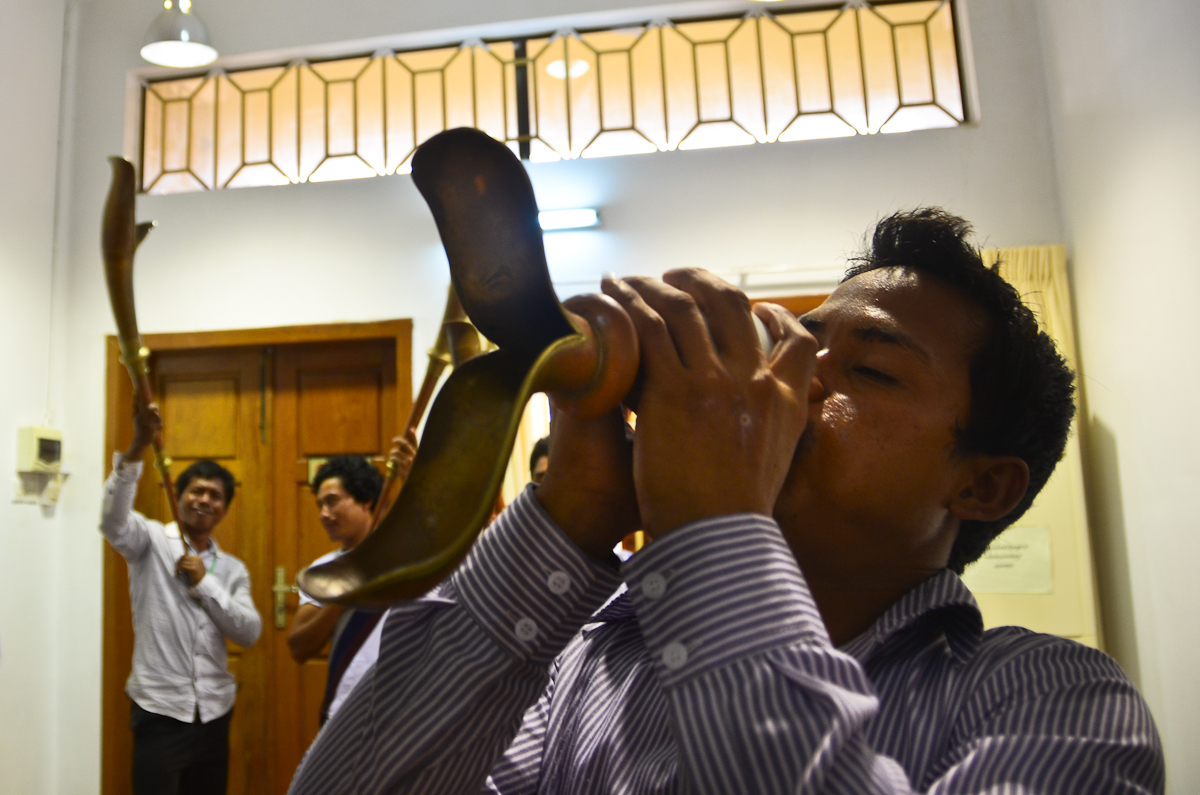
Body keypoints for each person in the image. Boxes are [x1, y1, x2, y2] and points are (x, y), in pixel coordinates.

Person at [290, 209, 1163, 794]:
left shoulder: (1060, 703)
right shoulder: (587, 658)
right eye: (802, 340)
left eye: (870, 368)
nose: (788, 378)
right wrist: (567, 519)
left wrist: (713, 529)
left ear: (981, 483)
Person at [101, 404, 262, 795]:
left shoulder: (233, 569)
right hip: (159, 709)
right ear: (180, 494)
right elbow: (112, 521)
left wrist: (205, 583)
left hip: (214, 711)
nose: (205, 500)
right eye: (197, 491)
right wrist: (139, 445)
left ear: (224, 508)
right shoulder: (151, 540)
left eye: (216, 495)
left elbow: (249, 632)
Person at [288, 431, 417, 724]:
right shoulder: (324, 569)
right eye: (320, 505)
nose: (323, 514)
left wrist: (414, 480)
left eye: (332, 501)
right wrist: (340, 598)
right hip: (346, 710)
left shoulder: (406, 556)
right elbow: (299, 647)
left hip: (406, 706)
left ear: (367, 501)